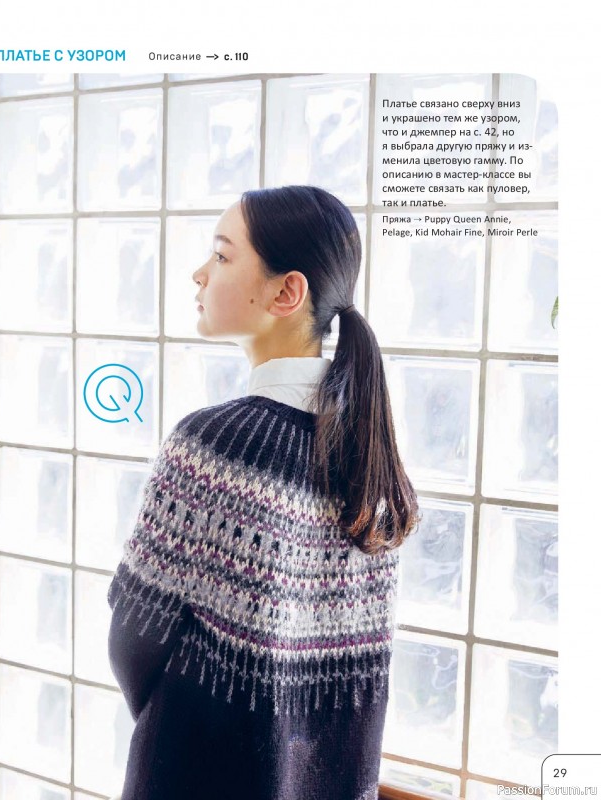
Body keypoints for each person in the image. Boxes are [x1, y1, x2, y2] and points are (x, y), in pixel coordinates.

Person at [107, 185, 420, 800]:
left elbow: (133, 637)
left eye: (222, 255)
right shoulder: (372, 456)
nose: (200, 273)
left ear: (286, 293)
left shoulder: (213, 444)